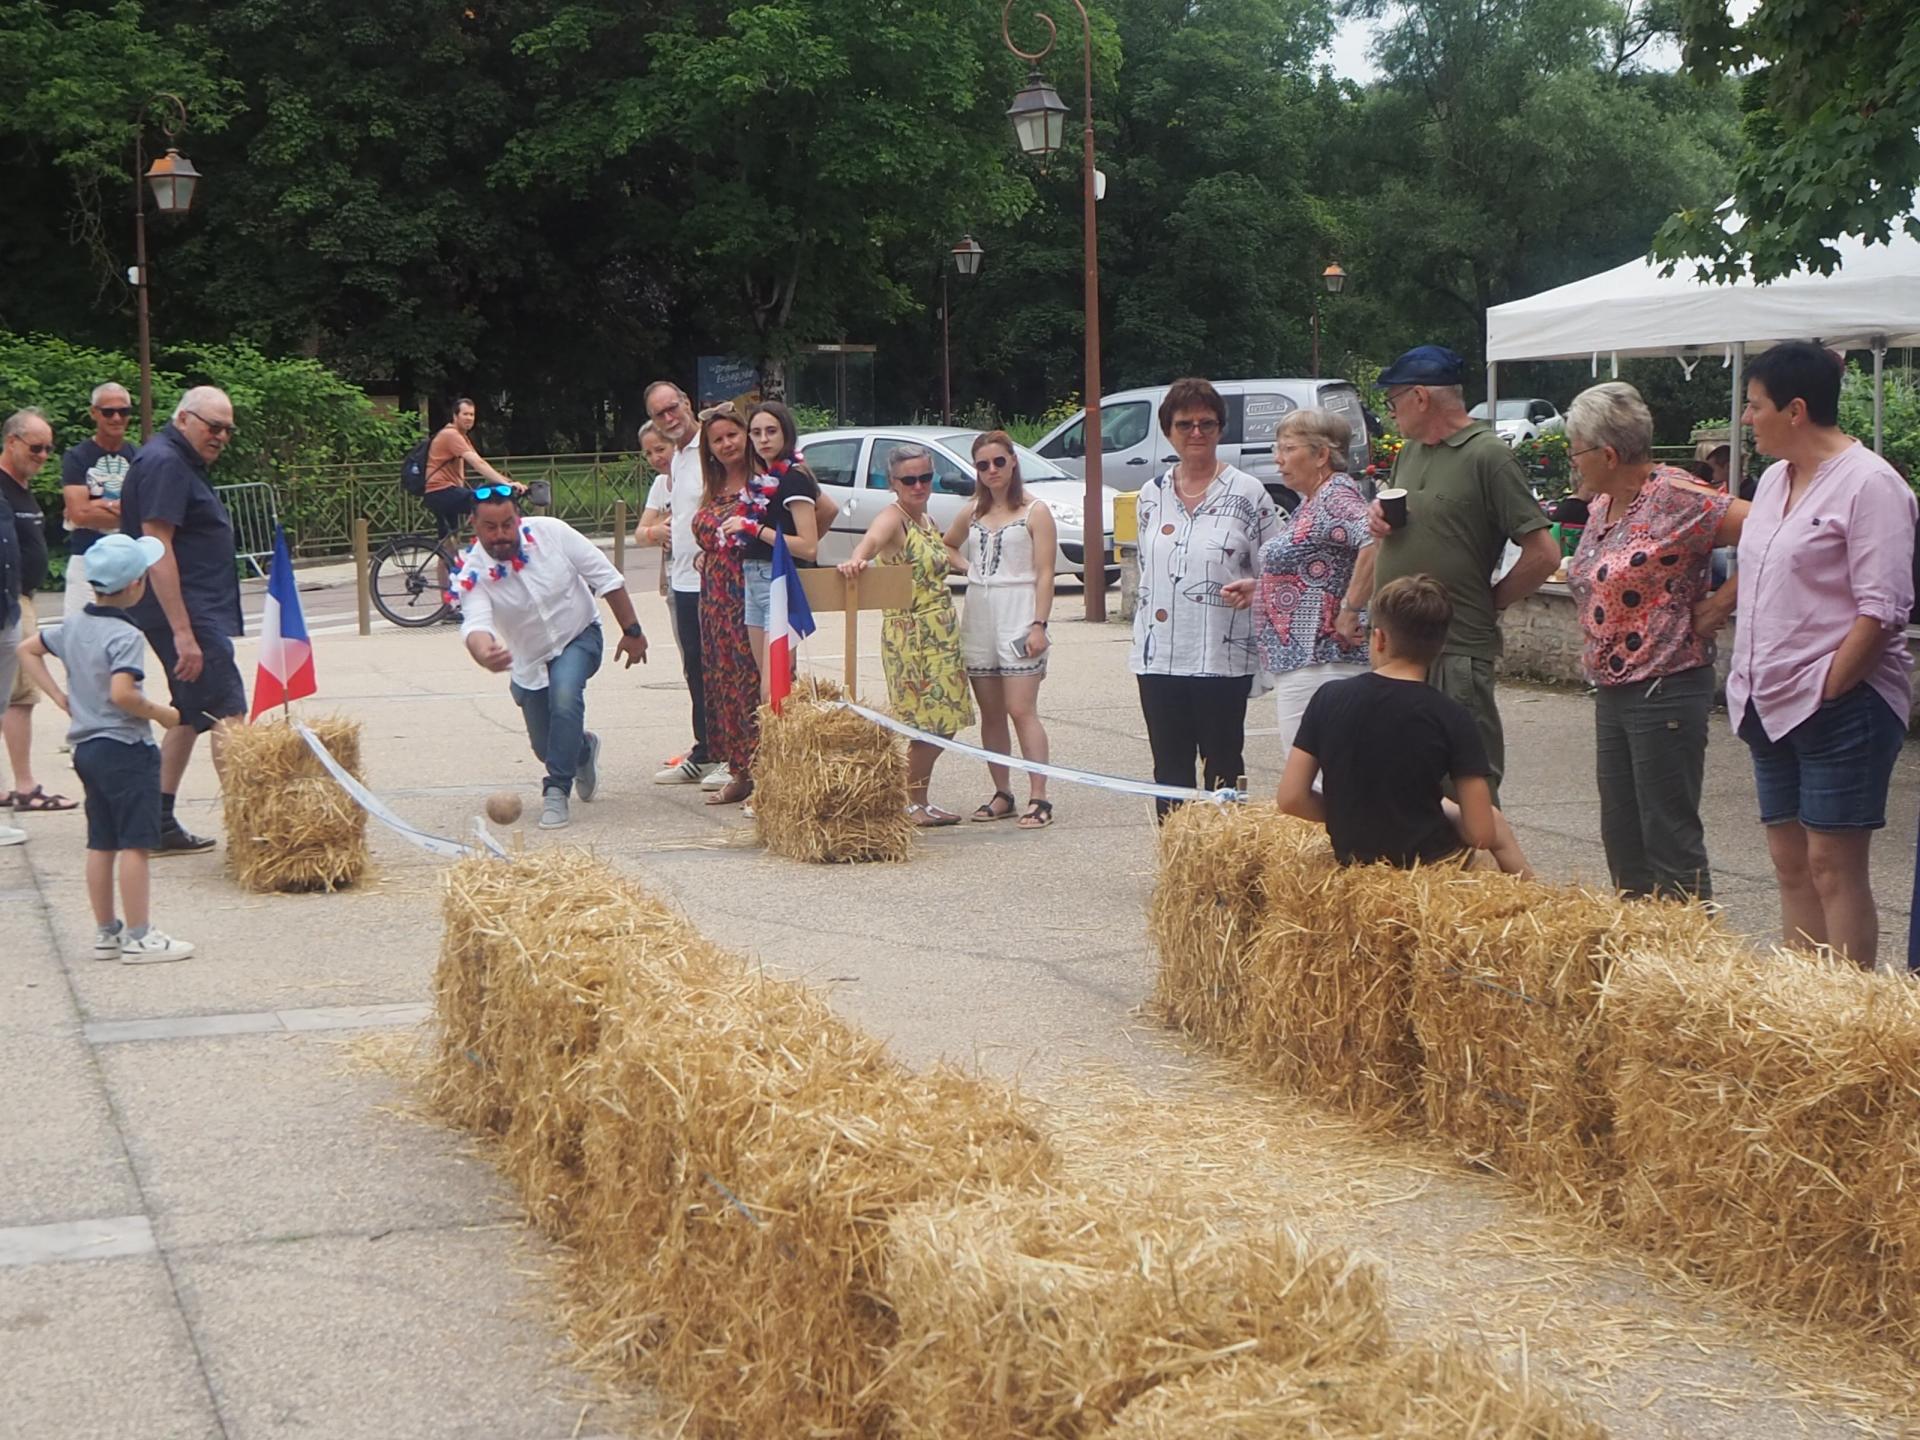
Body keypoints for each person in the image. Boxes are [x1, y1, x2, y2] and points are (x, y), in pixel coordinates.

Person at [1719, 342, 1915, 969]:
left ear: (1796, 410)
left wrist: (1832, 684)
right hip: (1767, 699)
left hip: (1841, 705)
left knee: (1833, 865)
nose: (1746, 420)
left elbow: (1883, 608)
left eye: (1754, 406)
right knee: (1790, 861)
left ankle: (1847, 1014)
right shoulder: (1775, 480)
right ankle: (1799, 1010)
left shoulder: (1871, 484)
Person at [1563, 382, 1747, 902]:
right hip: (1614, 688)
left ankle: (1690, 960)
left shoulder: (1676, 495)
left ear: (1608, 453)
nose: (1573, 462)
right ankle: (1643, 960)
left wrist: (1720, 603)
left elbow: (1778, 531)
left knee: (1668, 837)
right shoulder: (1604, 505)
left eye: (1576, 450)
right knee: (1624, 838)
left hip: (1665, 684)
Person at [1353, 346, 1559, 803]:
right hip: (1395, 644)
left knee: (1467, 779)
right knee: (1401, 776)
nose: (1392, 414)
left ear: (1421, 397)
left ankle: (1483, 870)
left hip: (1454, 647)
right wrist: (1378, 519)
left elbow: (1543, 553)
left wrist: (1493, 602)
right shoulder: (1410, 453)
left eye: (1394, 401)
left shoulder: (1488, 456)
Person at [16, 533, 194, 961]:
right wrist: (161, 714)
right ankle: (139, 934)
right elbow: (123, 694)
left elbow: (27, 649)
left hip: (87, 747)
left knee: (102, 842)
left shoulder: (74, 624)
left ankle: (106, 931)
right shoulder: (125, 635)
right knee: (135, 843)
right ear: (136, 586)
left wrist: (61, 698)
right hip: (126, 746)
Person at [1278, 574, 1530, 876]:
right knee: (1493, 822)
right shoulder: (1453, 716)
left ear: (1380, 638)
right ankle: (1539, 907)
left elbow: (1291, 798)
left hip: (1353, 859)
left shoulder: (1328, 698)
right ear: (1440, 645)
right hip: (1428, 865)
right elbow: (1481, 834)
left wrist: (1349, 814)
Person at [453, 485, 648, 829]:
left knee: (565, 693)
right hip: (529, 662)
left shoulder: (553, 533)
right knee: (546, 746)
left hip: (579, 635)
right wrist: (484, 653)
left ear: (518, 518)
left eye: (508, 524)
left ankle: (556, 790)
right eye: (491, 527)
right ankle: (583, 749)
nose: (501, 535)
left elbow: (606, 578)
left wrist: (632, 631)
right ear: (474, 525)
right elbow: (476, 625)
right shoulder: (473, 573)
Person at [1131, 377, 1280, 819]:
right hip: (1159, 657)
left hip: (1221, 655)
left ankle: (1224, 866)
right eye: (1184, 424)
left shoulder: (1249, 493)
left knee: (1223, 765)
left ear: (1220, 429)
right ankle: (1180, 870)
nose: (1196, 433)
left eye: (1207, 423)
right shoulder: (1149, 495)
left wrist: (1256, 589)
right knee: (1170, 769)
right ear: (1168, 431)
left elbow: (1276, 565)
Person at [118, 386, 246, 855]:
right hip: (186, 610)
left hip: (191, 608)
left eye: (228, 429)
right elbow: (157, 548)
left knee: (191, 713)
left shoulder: (175, 461)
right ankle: (252, 825)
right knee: (227, 710)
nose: (221, 437)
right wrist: (182, 631)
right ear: (185, 419)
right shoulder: (166, 463)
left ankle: (156, 819)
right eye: (213, 427)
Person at [1222, 407, 1373, 763]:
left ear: (1322, 454)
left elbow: (1376, 540)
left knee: (1315, 774)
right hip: (1307, 661)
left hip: (1324, 660)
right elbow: (1314, 570)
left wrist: (1350, 610)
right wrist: (1262, 589)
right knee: (1317, 770)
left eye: (1288, 449)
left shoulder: (1335, 496)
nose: (1278, 459)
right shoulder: (1313, 500)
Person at [839, 444, 974, 825]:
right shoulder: (892, 517)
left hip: (940, 631)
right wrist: (858, 559)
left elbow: (943, 555)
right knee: (930, 723)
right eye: (909, 480)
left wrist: (971, 570)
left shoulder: (925, 520)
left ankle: (918, 799)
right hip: (912, 635)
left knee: (944, 722)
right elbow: (870, 543)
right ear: (893, 483)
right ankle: (909, 801)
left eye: (925, 477)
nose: (919, 486)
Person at [946, 429, 1055, 828]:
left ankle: (1040, 796)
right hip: (980, 610)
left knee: (1020, 708)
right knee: (991, 712)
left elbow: (1046, 573)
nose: (992, 470)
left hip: (1019, 609)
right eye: (983, 464)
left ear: (1013, 463)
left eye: (998, 462)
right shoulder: (972, 512)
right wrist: (967, 568)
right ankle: (1002, 791)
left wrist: (1039, 624)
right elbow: (948, 544)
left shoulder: (1035, 510)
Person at [640, 380, 718, 787]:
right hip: (684, 578)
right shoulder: (680, 458)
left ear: (687, 403)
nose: (669, 418)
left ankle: (731, 753)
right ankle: (705, 749)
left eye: (673, 408)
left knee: (722, 666)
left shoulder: (711, 445)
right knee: (696, 667)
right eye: (660, 414)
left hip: (715, 579)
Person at [0, 409, 77, 814]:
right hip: (11, 601)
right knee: (20, 697)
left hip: (22, 596)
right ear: (11, 442)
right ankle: (25, 785)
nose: (43, 455)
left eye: (48, 448)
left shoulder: (20, 488)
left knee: (9, 694)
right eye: (35, 447)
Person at [690, 404, 762, 807]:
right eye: (717, 440)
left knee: (754, 683)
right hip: (715, 598)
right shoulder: (713, 486)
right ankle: (740, 771)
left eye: (732, 435)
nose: (727, 444)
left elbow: (819, 513)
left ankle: (767, 772)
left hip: (750, 591)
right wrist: (708, 553)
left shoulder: (765, 481)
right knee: (723, 683)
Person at [744, 401, 824, 703]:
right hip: (752, 577)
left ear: (785, 434)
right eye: (756, 432)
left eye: (771, 431)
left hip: (776, 580)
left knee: (774, 687)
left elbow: (808, 545)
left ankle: (780, 750)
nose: (763, 439)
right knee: (767, 679)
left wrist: (756, 531)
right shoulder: (760, 477)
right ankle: (773, 747)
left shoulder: (794, 477)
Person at [60, 382, 139, 616]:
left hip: (128, 560)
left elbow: (146, 511)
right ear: (94, 413)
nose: (116, 418)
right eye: (108, 412)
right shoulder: (77, 457)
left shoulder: (139, 456)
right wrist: (124, 509)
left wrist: (99, 505)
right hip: (86, 558)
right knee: (78, 634)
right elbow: (79, 514)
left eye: (123, 411)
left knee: (125, 636)